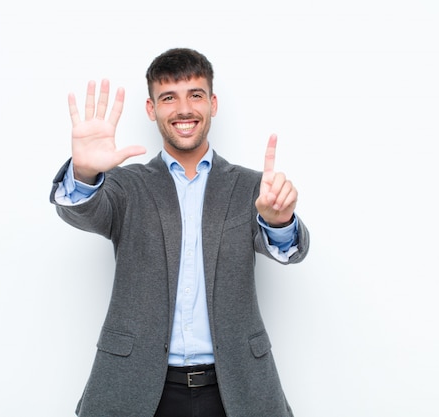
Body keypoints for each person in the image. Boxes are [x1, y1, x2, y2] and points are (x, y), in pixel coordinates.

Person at [50, 48, 310, 417]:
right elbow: (82, 211)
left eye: (195, 95)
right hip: (139, 387)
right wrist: (85, 174)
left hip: (235, 388)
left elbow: (290, 250)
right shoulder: (126, 187)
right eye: (168, 97)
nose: (183, 109)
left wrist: (279, 221)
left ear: (213, 103)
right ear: (151, 109)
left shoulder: (252, 187)